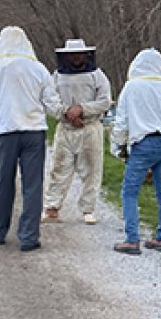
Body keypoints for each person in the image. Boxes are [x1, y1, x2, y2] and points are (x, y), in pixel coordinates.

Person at [0, 26, 72, 252]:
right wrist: (67, 115)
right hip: (34, 132)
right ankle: (29, 237)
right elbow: (53, 104)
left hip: (3, 132)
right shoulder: (38, 69)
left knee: (2, 184)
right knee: (33, 186)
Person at [110, 48, 161, 255]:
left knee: (129, 192)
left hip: (142, 143)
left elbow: (121, 122)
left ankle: (132, 239)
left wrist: (118, 147)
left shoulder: (132, 87)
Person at [43, 39, 113, 225]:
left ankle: (88, 210)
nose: (76, 57)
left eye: (79, 54)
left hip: (89, 128)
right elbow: (49, 100)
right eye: (72, 54)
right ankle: (52, 208)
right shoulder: (56, 76)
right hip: (65, 128)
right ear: (65, 56)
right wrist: (66, 112)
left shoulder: (97, 75)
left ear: (86, 55)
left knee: (91, 170)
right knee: (59, 168)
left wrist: (82, 109)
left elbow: (105, 101)